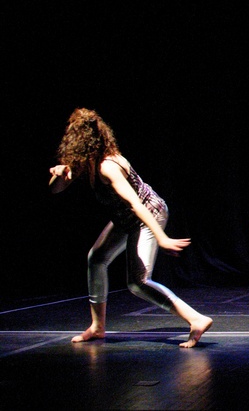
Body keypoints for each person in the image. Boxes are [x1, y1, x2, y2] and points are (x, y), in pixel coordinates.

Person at [50, 108, 213, 348]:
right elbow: (55, 189)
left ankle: (196, 319)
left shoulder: (107, 166)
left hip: (149, 212)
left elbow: (136, 203)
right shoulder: (86, 163)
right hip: (125, 217)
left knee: (138, 282)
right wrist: (59, 174)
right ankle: (97, 326)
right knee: (96, 258)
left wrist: (161, 237)